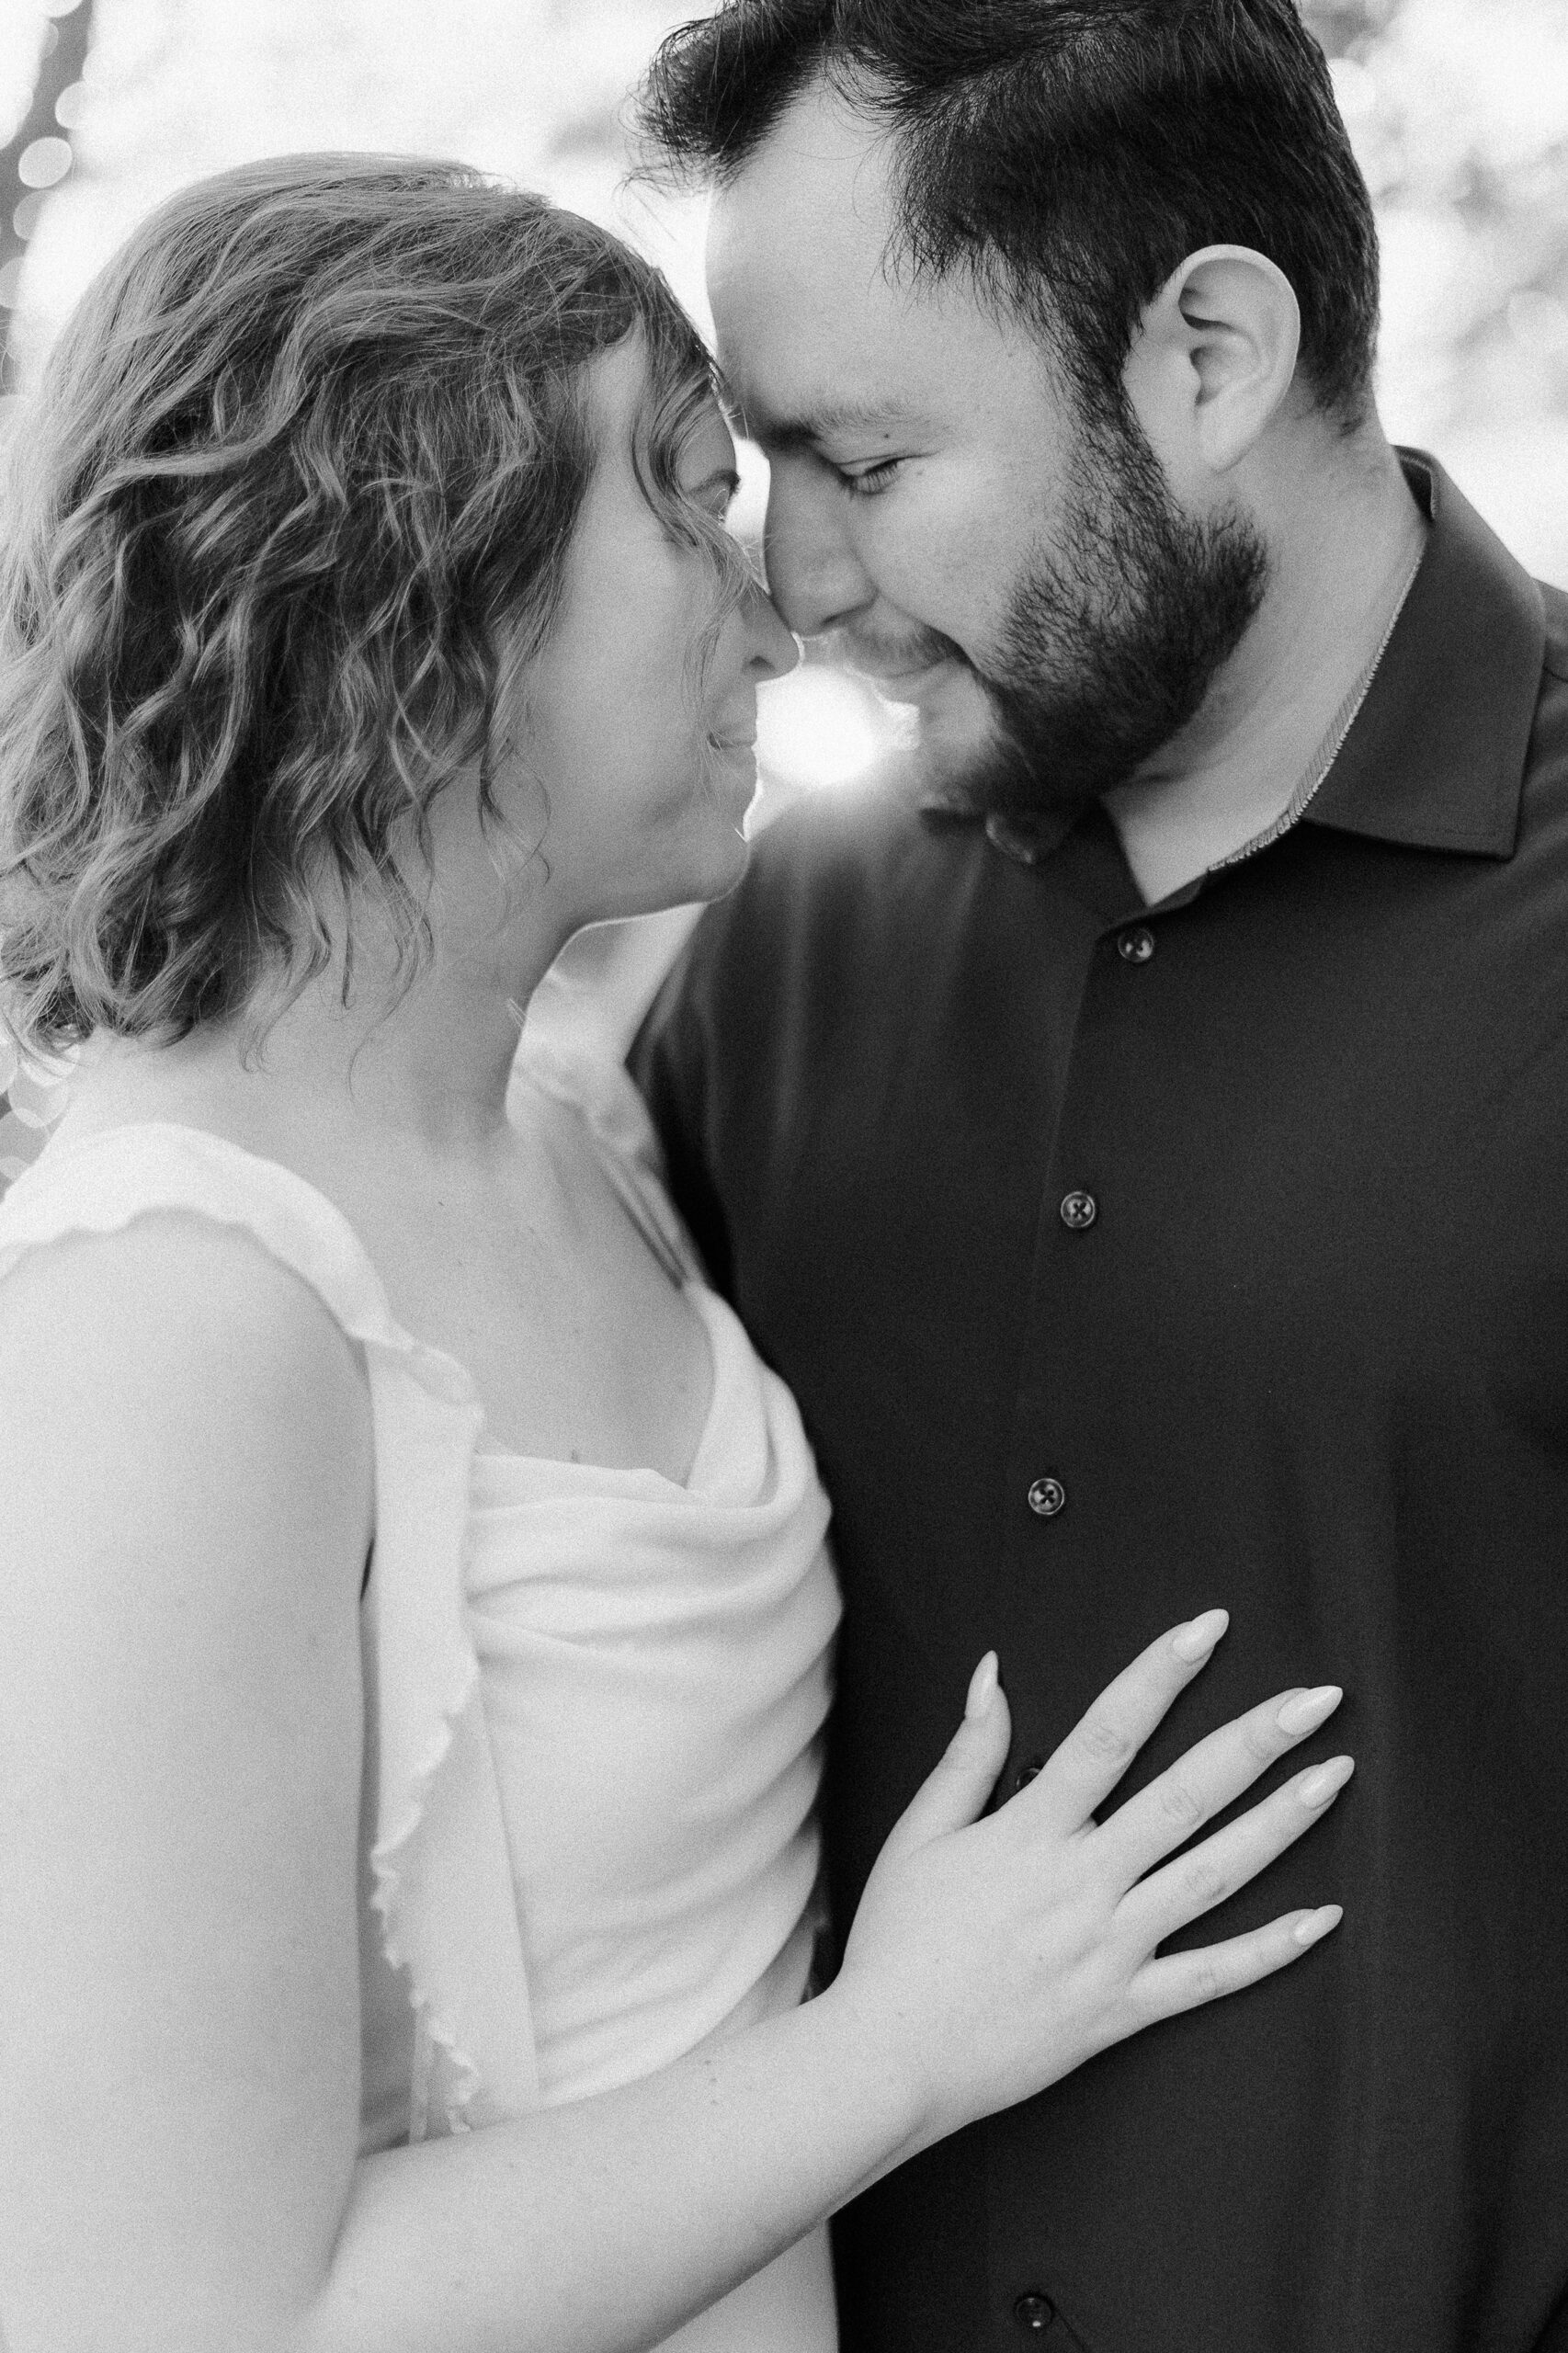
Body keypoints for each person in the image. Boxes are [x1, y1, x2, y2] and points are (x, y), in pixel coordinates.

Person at [0, 154, 1352, 2353]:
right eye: (688, 500)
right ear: (417, 572)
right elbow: (165, 2319)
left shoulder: (584, 1129)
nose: (783, 598)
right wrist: (903, 2036)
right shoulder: (169, 1317)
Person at [630, 5, 1568, 2349]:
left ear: (1212, 350)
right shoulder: (788, 937)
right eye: (759, 470)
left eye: (859, 456)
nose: (791, 578)